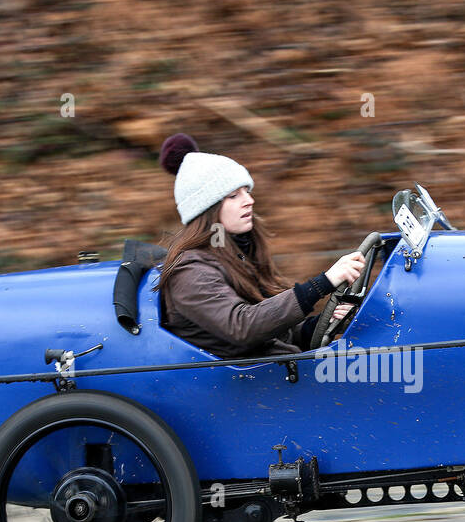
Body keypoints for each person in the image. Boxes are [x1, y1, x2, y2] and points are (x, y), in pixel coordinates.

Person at [154, 133, 366, 359]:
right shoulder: (190, 273)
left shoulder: (238, 255)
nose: (249, 200)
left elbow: (276, 335)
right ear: (207, 211)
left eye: (247, 191)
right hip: (234, 386)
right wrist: (321, 284)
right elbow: (243, 327)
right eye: (234, 195)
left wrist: (323, 322)